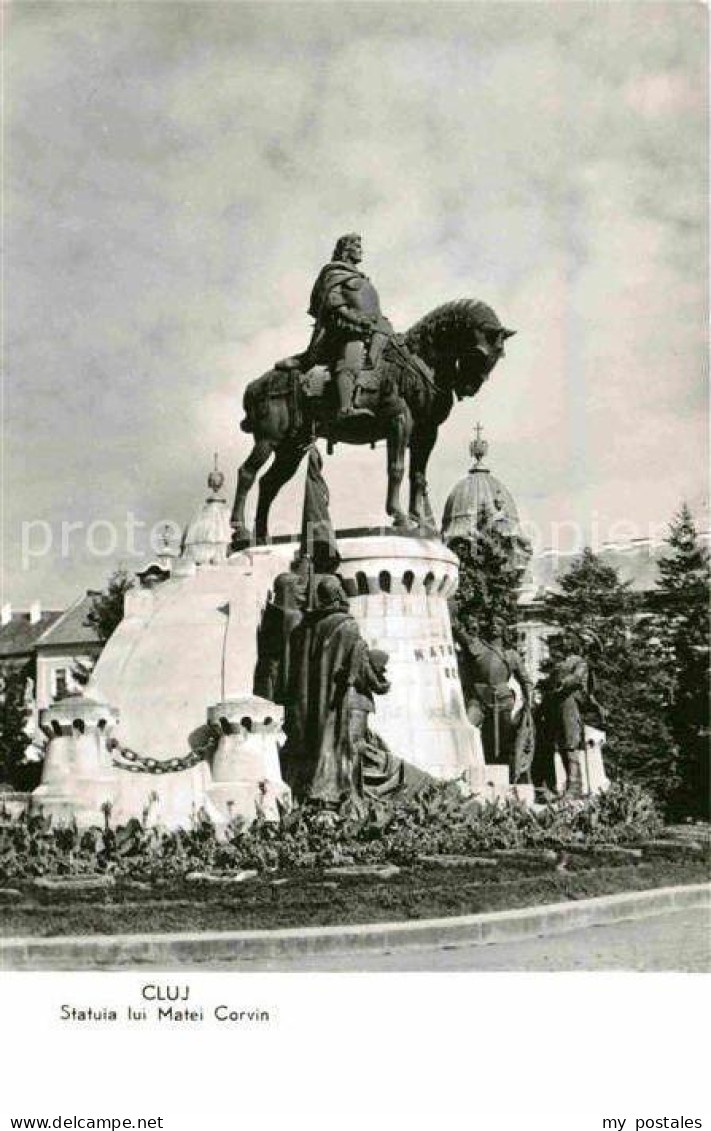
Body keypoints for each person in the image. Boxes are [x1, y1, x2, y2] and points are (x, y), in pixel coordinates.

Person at [280, 233, 396, 422]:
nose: (361, 251)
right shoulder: (333, 273)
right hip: (345, 330)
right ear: (346, 250)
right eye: (357, 246)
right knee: (352, 356)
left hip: (373, 329)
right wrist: (356, 321)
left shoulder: (360, 277)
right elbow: (335, 303)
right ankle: (345, 408)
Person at [454, 609, 534, 782]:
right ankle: (464, 770)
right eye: (492, 624)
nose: (494, 627)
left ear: (504, 630)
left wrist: (529, 702)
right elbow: (459, 632)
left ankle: (504, 776)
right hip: (479, 697)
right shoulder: (477, 645)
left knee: (503, 740)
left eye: (499, 624)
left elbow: (526, 680)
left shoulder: (511, 655)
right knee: (467, 726)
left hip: (503, 699)